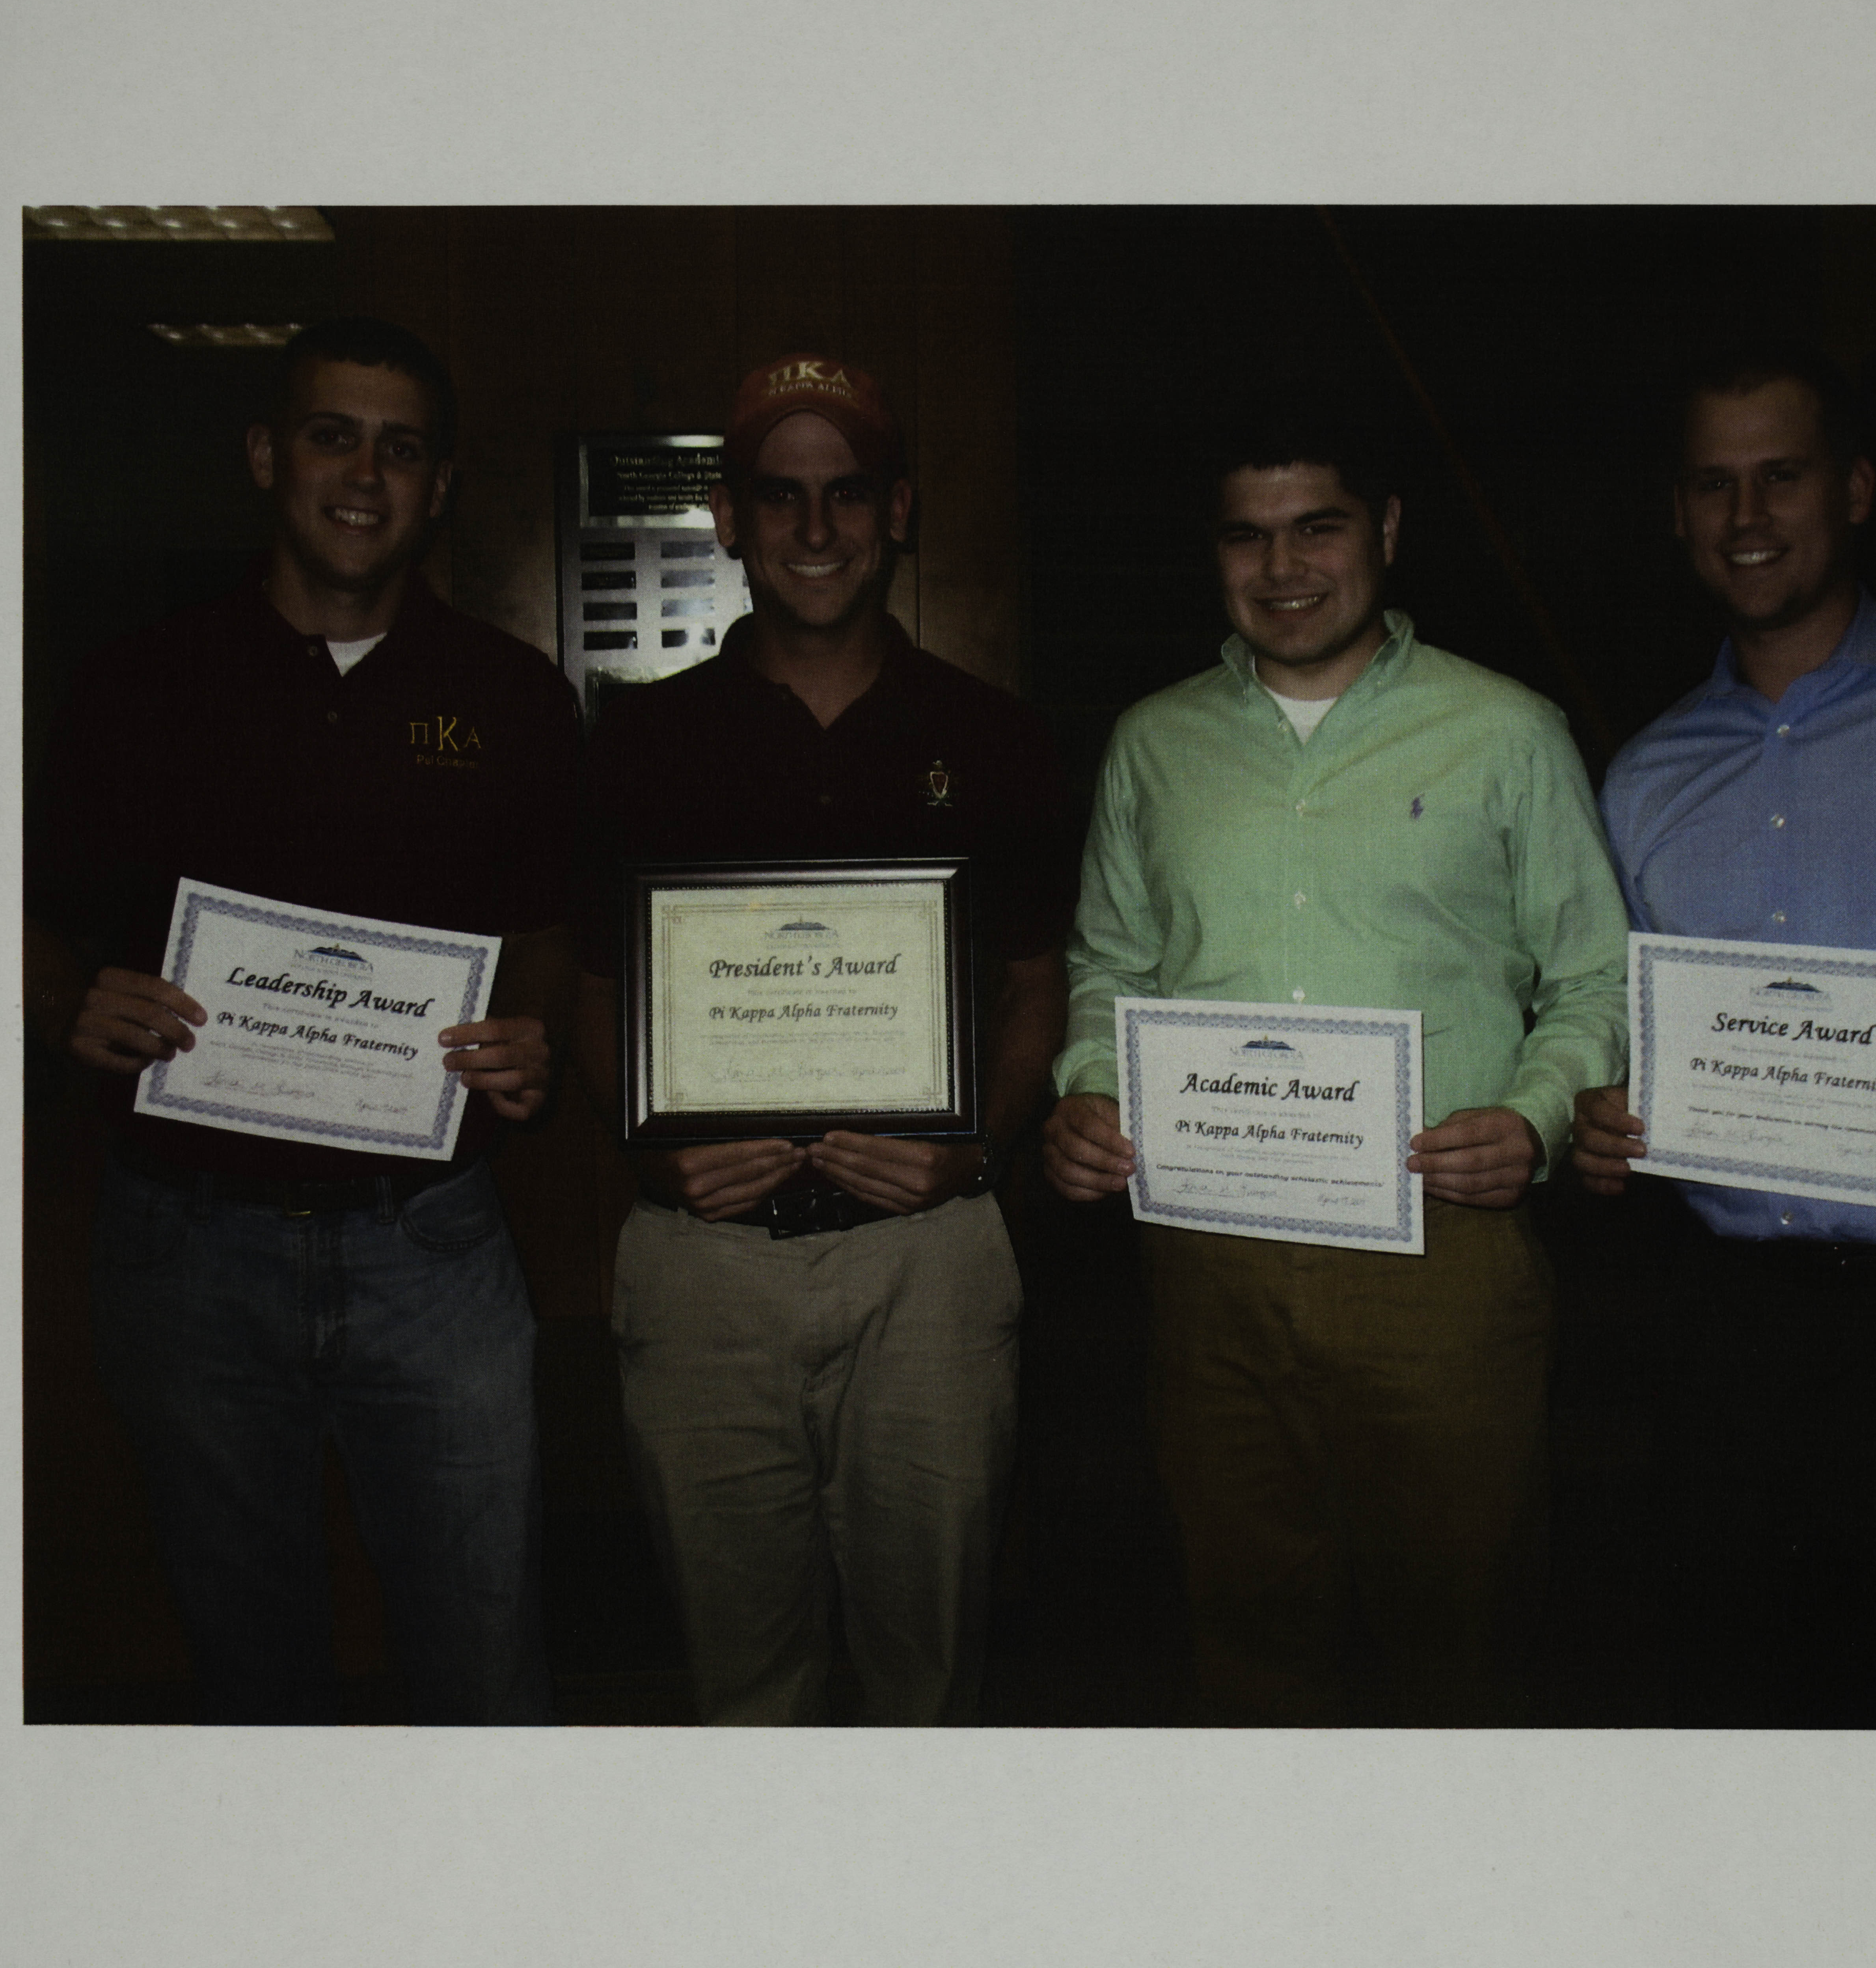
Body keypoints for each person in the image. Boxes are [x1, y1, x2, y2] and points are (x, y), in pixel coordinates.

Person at [1041, 382, 1628, 1724]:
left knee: (1461, 1640)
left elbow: (1593, 974)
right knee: (1247, 1636)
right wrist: (1084, 1092)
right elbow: (1109, 969)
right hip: (1208, 1266)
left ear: (1389, 532)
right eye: (1246, 536)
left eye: (1318, 528)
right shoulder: (1153, 742)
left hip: (1443, 1255)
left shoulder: (1508, 732)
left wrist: (1536, 1119)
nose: (1283, 568)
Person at [23, 317, 580, 1724]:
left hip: (431, 1243)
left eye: (402, 449)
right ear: (270, 457)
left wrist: (530, 1032)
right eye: (333, 435)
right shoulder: (132, 684)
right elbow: (28, 910)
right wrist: (60, 1004)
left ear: (440, 487)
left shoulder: (510, 698)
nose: (364, 475)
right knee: (247, 1672)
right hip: (187, 1244)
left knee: (484, 1668)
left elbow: (546, 939)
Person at [574, 352, 1078, 1724]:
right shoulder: (633, 743)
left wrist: (978, 1148)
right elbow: (593, 986)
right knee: (743, 1688)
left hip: (929, 1261)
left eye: (846, 494)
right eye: (778, 497)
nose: (813, 530)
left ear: (897, 510)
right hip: (704, 1269)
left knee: (931, 1684)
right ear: (727, 519)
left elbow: (1039, 982)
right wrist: (651, 1147)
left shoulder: (997, 738)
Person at [1573, 344, 1876, 1724]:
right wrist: (1609, 1118)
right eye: (1710, 486)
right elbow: (1630, 1026)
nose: (1745, 517)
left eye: (1779, 475)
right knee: (1744, 1700)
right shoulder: (1644, 772)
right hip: (1732, 1332)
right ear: (1675, 516)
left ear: (1851, 490)